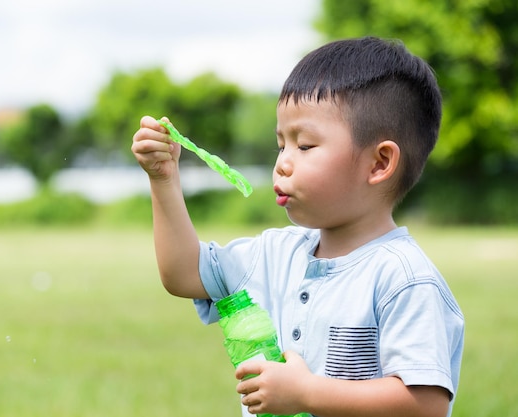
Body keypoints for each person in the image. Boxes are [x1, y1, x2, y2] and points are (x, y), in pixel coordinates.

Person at [131, 37, 464, 417]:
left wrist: (308, 394)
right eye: (281, 145)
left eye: (304, 146)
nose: (283, 164)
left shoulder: (403, 278)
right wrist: (163, 180)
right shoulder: (272, 255)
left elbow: (426, 405)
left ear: (379, 163)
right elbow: (182, 273)